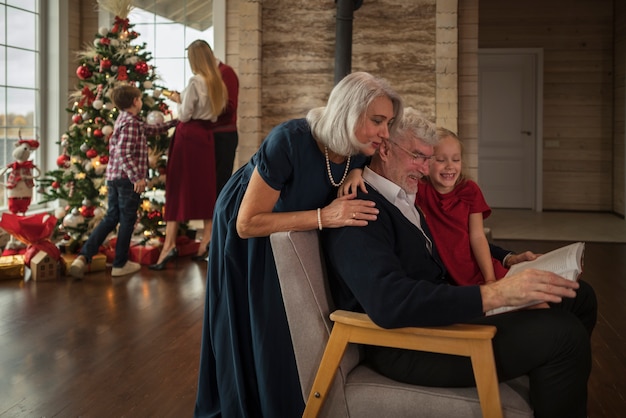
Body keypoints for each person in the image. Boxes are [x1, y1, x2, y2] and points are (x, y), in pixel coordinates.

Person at [322, 108, 597, 418]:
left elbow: (454, 239)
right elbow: (388, 301)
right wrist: (497, 295)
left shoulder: (403, 195)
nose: (425, 169)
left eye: (429, 159)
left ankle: (549, 384)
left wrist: (505, 257)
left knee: (577, 295)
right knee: (564, 334)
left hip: (441, 314)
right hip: (411, 343)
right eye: (418, 157)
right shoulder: (360, 211)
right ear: (384, 149)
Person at [194, 71, 403, 418]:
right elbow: (248, 224)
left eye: (389, 122)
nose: (385, 132)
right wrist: (326, 217)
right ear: (347, 114)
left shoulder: (361, 148)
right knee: (255, 321)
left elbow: (367, 162)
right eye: (377, 121)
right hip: (251, 224)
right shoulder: (288, 141)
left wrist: (358, 171)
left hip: (292, 226)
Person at [69, 85, 178, 279]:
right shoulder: (131, 124)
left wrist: (174, 123)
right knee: (127, 219)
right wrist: (137, 177)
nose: (141, 100)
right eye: (140, 98)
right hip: (127, 180)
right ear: (135, 101)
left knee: (112, 217)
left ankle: (83, 257)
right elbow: (124, 153)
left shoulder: (127, 120)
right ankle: (120, 264)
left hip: (114, 177)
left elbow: (150, 129)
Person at [150, 40, 228, 270]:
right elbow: (214, 116)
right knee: (205, 188)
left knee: (176, 188)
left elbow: (184, 116)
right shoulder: (218, 84)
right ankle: (207, 241)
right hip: (205, 137)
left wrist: (179, 101)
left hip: (187, 136)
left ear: (194, 59)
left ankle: (169, 246)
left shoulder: (195, 81)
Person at [417, 127, 508, 285]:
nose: (450, 166)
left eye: (456, 159)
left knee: (535, 301)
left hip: (477, 267)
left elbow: (478, 236)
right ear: (426, 162)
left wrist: (490, 278)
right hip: (447, 276)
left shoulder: (470, 190)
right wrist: (356, 170)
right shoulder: (420, 190)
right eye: (440, 159)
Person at [212, 58, 239, 197]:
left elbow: (230, 106)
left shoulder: (225, 73)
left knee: (221, 182)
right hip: (213, 134)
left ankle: (221, 217)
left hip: (224, 134)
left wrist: (206, 111)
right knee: (214, 183)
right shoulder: (212, 75)